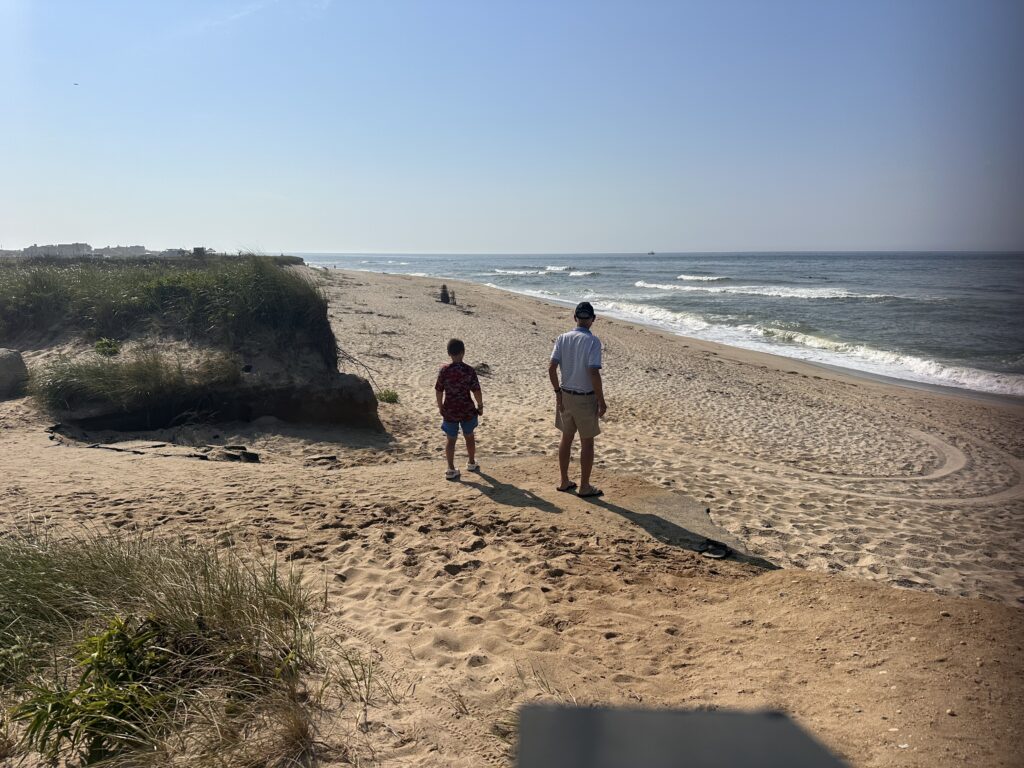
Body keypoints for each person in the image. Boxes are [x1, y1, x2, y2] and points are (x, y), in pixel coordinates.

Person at [548, 301, 607, 497]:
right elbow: (593, 372)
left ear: (575, 318)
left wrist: (557, 392)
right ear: (592, 320)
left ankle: (564, 481)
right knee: (587, 442)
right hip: (584, 397)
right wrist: (601, 399)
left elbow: (551, 368)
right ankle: (584, 486)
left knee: (566, 438)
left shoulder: (563, 338)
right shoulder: (593, 341)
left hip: (565, 394)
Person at [435, 338, 484, 480]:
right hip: (467, 409)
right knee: (469, 436)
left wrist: (440, 406)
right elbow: (476, 391)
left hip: (450, 409)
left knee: (451, 440)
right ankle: (471, 462)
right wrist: (480, 406)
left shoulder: (444, 370)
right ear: (463, 352)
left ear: (449, 353)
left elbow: (439, 390)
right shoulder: (469, 370)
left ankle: (450, 469)